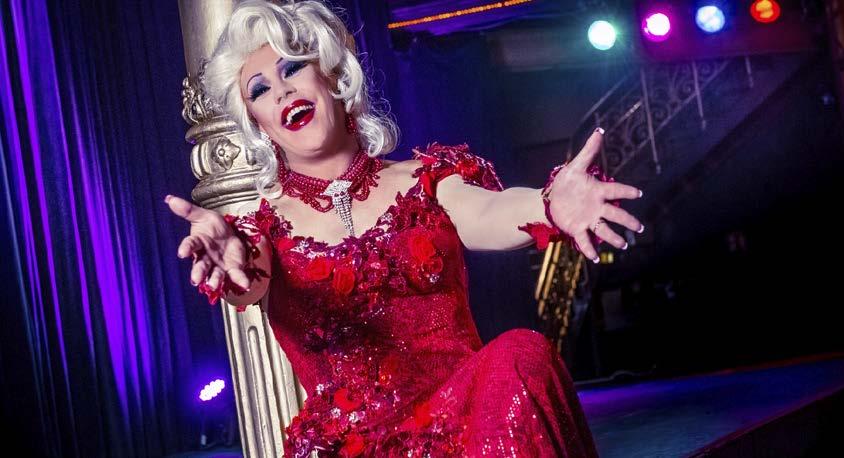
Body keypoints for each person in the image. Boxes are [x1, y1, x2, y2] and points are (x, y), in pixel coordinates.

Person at [164, 1, 643, 456]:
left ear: (331, 75)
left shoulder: (427, 180)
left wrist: (547, 205)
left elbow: (486, 212)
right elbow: (248, 282)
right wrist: (233, 261)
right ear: (258, 123)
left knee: (521, 354)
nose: (282, 90)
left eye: (292, 68)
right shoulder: (263, 231)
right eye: (260, 90)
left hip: (465, 430)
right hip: (354, 449)